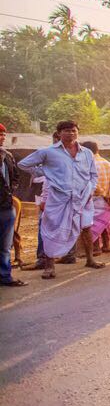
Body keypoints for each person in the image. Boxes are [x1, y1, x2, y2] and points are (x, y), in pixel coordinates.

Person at [18, 120, 105, 279]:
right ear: (59, 133)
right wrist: (42, 172)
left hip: (82, 197)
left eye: (73, 130)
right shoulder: (48, 152)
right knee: (51, 229)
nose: (70, 134)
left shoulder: (86, 152)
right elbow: (23, 164)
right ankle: (49, 266)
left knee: (86, 227)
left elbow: (93, 175)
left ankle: (90, 259)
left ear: (77, 132)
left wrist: (91, 190)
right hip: (58, 198)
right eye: (66, 131)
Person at [80, 141, 110, 257]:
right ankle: (106, 245)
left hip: (95, 197)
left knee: (92, 223)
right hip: (106, 197)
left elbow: (93, 183)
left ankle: (96, 247)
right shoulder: (106, 163)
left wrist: (103, 194)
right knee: (103, 222)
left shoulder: (88, 164)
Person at [0, 123, 26, 287]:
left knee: (4, 245)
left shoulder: (7, 156)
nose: (2, 137)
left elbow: (16, 176)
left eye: (3, 134)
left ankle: (5, 276)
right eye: (0, 134)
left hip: (6, 205)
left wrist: (9, 192)